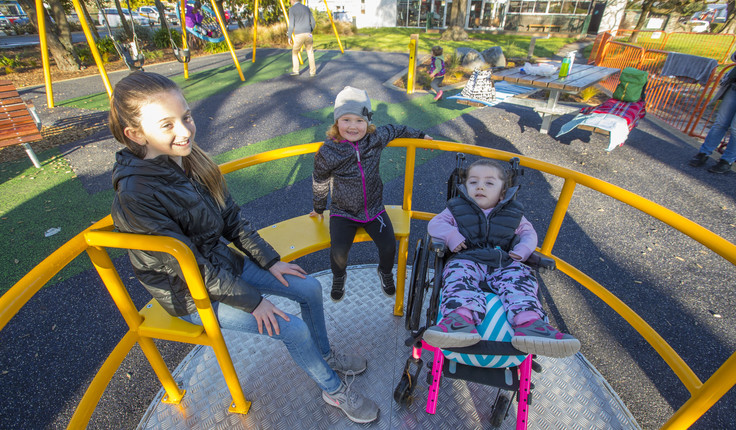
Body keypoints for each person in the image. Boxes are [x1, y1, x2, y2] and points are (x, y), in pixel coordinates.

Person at [108, 72, 379, 424]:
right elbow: (189, 265)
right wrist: (254, 302)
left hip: (219, 266)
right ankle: (334, 390)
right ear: (135, 134)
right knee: (292, 328)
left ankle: (325, 355)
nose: (185, 130)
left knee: (309, 288)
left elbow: (232, 220)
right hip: (189, 292)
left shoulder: (189, 161)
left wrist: (269, 262)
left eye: (186, 117)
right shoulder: (136, 194)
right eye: (168, 124)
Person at [423, 158, 580, 358]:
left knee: (520, 278)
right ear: (465, 187)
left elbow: (528, 233)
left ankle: (530, 324)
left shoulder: (513, 213)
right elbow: (435, 224)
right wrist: (452, 236)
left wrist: (523, 249)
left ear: (503, 192)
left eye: (489, 183)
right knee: (458, 277)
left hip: (503, 261)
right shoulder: (456, 208)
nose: (480, 186)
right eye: (473, 182)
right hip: (468, 257)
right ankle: (459, 320)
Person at [310, 86, 433, 302]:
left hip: (374, 209)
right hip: (343, 212)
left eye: (359, 121)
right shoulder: (328, 151)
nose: (353, 126)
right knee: (338, 252)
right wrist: (319, 207)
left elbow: (397, 129)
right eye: (346, 120)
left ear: (368, 122)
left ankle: (385, 272)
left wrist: (421, 135)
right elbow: (319, 179)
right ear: (336, 122)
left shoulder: (375, 139)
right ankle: (339, 277)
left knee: (388, 246)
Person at [688, 54, 736, 174]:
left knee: (735, 128)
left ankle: (726, 161)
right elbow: (734, 57)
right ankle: (704, 152)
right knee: (720, 122)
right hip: (734, 87)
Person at [287, 0, 316, 77]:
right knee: (310, 52)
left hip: (299, 34)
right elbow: (313, 22)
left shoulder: (292, 9)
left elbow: (291, 25)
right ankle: (312, 72)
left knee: (295, 52)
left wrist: (289, 36)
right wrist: (310, 30)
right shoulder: (307, 8)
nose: (290, 2)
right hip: (308, 34)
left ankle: (296, 70)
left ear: (293, 0)